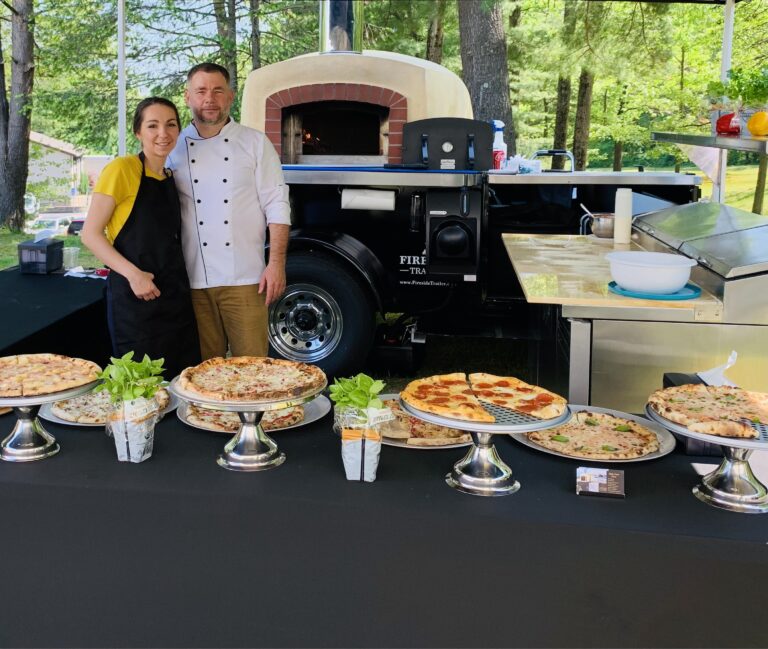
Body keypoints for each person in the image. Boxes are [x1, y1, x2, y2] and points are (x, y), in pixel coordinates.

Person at [167, 62, 291, 361]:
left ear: (231, 96)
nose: (209, 98)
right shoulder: (172, 146)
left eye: (217, 90)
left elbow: (276, 203)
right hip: (193, 279)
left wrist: (276, 264)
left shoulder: (255, 142)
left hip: (246, 278)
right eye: (201, 91)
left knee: (252, 367)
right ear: (188, 97)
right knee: (204, 370)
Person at [82, 97, 201, 378]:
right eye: (153, 125)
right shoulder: (121, 170)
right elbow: (90, 234)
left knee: (182, 383)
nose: (163, 133)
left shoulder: (170, 176)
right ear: (138, 132)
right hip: (135, 304)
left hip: (175, 300)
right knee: (142, 390)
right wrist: (134, 275)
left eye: (171, 125)